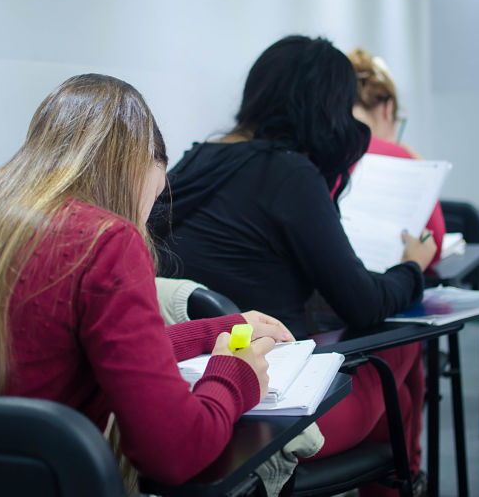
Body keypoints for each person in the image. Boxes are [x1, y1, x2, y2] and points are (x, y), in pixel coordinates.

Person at [0, 73, 296, 492]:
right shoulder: (107, 240)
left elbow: (65, 352)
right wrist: (234, 376)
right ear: (141, 167)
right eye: (155, 198)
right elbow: (175, 453)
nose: (145, 216)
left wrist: (212, 331)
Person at [151, 36, 435, 496]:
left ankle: (404, 476)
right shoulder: (287, 172)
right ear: (329, 109)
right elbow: (363, 303)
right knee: (404, 347)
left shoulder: (198, 158)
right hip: (269, 406)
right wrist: (412, 267)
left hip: (192, 386)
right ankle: (408, 480)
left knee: (393, 395)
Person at [347, 47, 446, 263]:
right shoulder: (399, 157)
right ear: (388, 109)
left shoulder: (320, 150)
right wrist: (419, 165)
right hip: (386, 289)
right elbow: (433, 245)